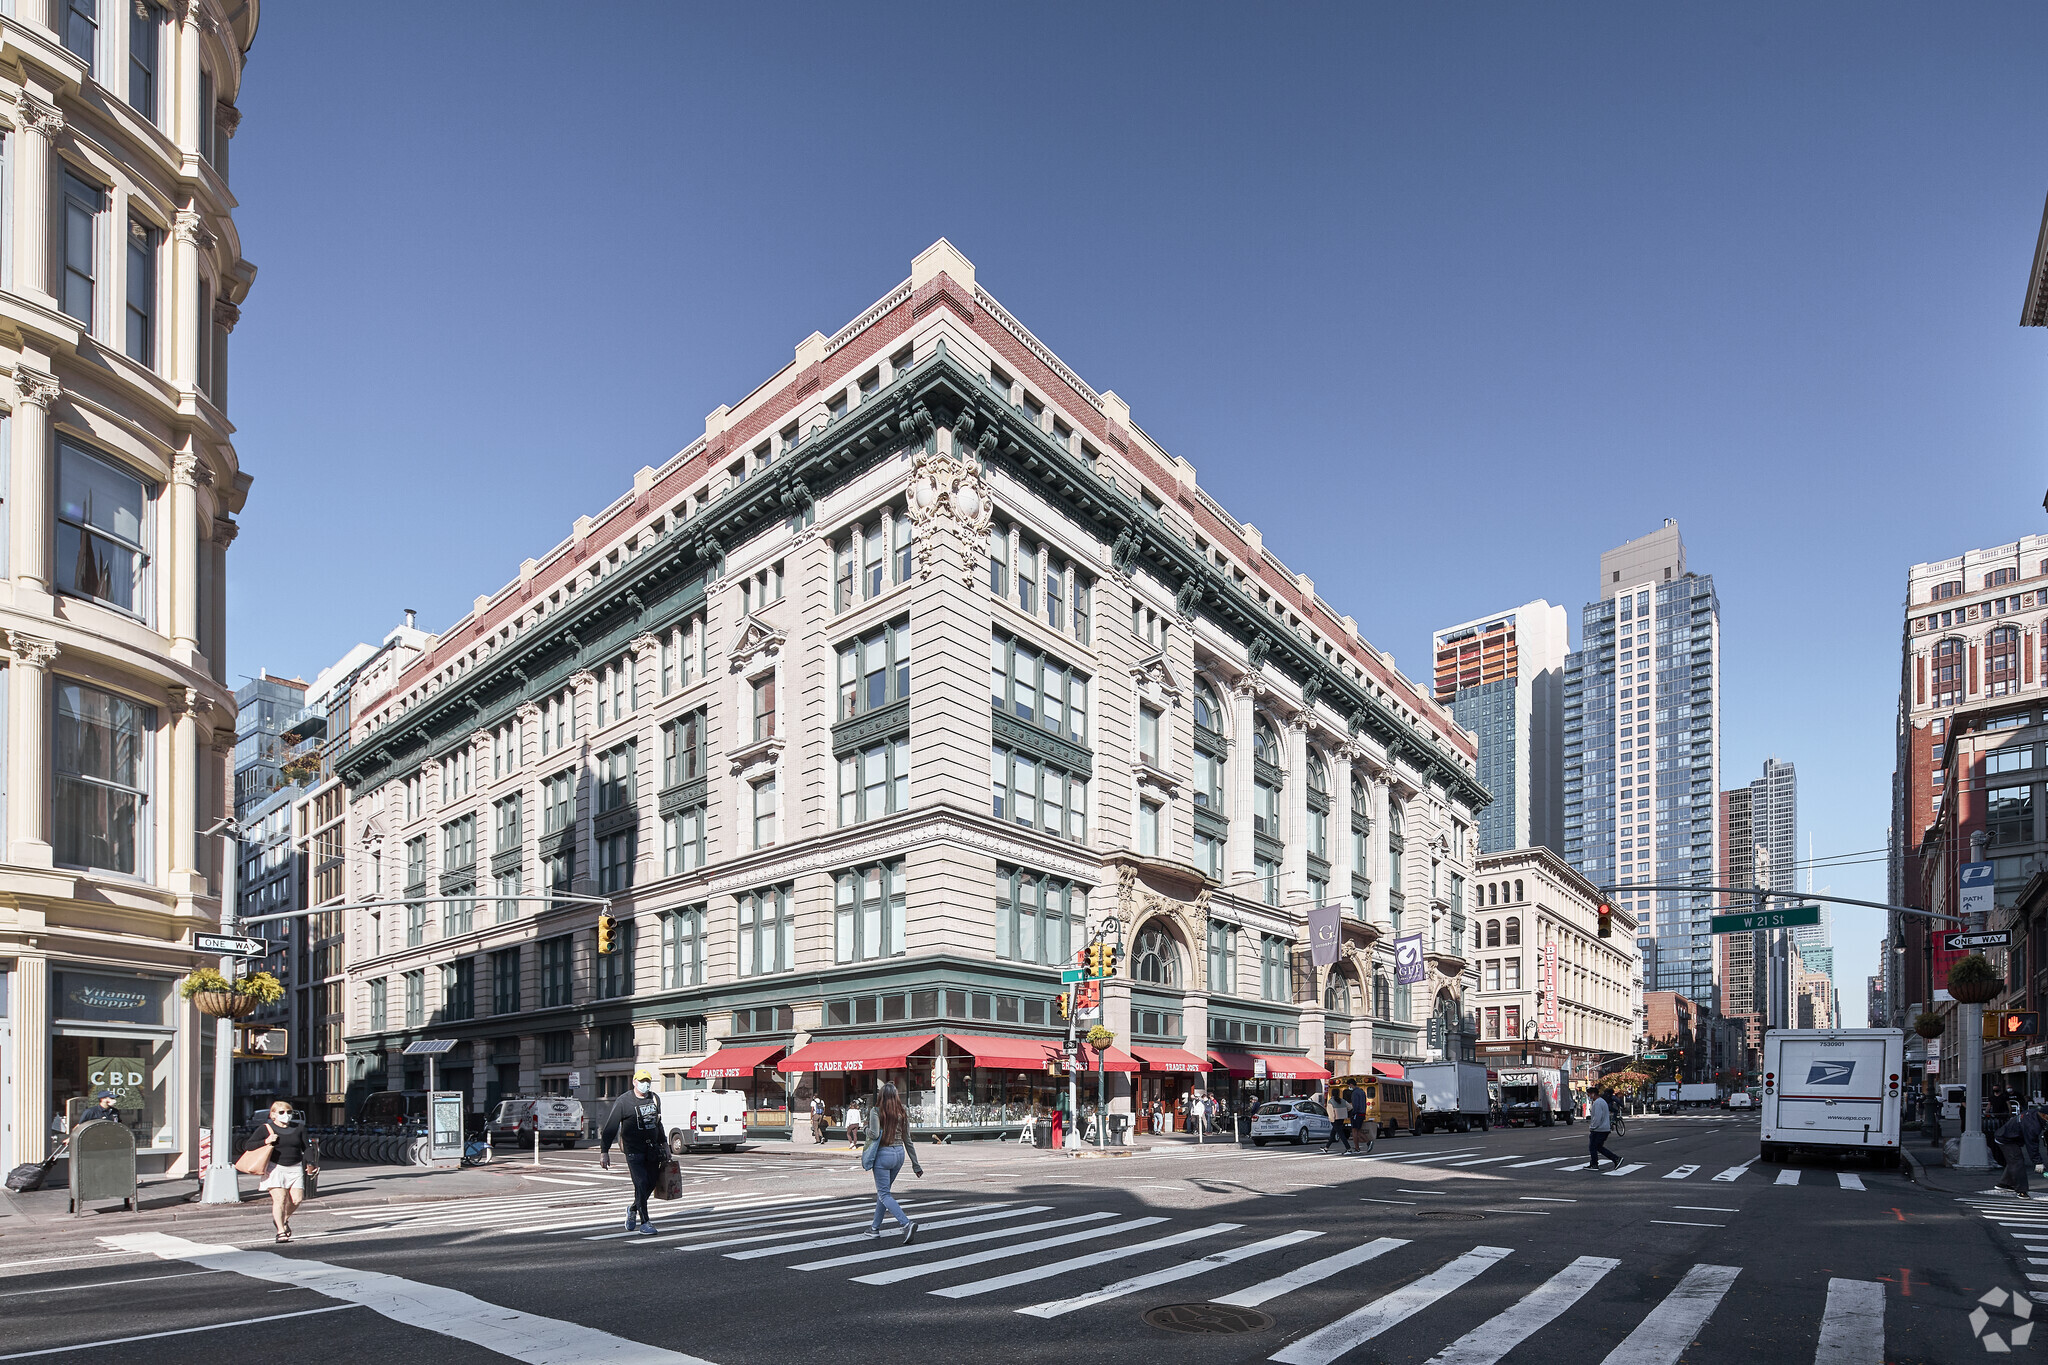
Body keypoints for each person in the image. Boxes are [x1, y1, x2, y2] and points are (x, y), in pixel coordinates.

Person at [599, 1068, 671, 1235]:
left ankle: (632, 1209)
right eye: (642, 1081)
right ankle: (645, 1222)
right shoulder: (624, 1102)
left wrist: (665, 1145)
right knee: (640, 1183)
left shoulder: (654, 1099)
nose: (645, 1084)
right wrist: (604, 1151)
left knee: (651, 1183)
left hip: (652, 1149)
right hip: (633, 1150)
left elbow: (657, 1124)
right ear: (634, 1082)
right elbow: (610, 1127)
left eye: (648, 1081)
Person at [244, 1101, 310, 1243]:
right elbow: (248, 1145)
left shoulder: (299, 1128)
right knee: (280, 1199)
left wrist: (311, 1163)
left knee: (297, 1199)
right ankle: (281, 1231)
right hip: (275, 1167)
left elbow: (307, 1147)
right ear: (273, 1115)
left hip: (295, 1167)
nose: (286, 1115)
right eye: (281, 1112)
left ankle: (282, 1219)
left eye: (289, 1112)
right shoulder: (266, 1129)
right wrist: (267, 1141)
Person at [866, 1082, 923, 1242]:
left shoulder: (876, 1111)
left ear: (881, 1096)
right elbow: (908, 1140)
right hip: (899, 1154)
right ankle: (874, 1228)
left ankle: (906, 1223)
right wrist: (915, 1164)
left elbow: (875, 1134)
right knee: (884, 1193)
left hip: (883, 1155)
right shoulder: (902, 1113)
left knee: (884, 1193)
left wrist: (864, 1130)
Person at [1585, 1088, 1621, 1171]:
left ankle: (1596, 1163)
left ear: (1593, 1094)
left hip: (1599, 1129)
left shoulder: (1598, 1103)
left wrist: (1592, 1127)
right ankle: (1595, 1163)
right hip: (1603, 1128)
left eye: (1589, 1094)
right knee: (1597, 1147)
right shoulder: (1601, 1101)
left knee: (1593, 1147)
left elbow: (1597, 1117)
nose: (1589, 1096)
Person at [1346, 1080, 1374, 1151]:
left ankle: (1358, 1147)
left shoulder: (1355, 1093)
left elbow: (1355, 1105)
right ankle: (1362, 1145)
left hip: (1356, 1114)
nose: (1349, 1087)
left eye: (1349, 1086)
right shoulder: (1362, 1092)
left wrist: (1352, 1113)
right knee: (1358, 1130)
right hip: (1362, 1113)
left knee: (1355, 1131)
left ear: (1351, 1084)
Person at [1323, 1087, 1351, 1153]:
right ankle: (1326, 1148)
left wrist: (1332, 1121)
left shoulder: (1331, 1102)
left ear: (1332, 1094)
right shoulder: (1343, 1101)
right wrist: (1345, 1112)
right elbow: (1350, 1107)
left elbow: (1331, 1113)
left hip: (1335, 1120)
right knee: (1333, 1134)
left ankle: (1348, 1148)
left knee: (1341, 1135)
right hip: (1342, 1119)